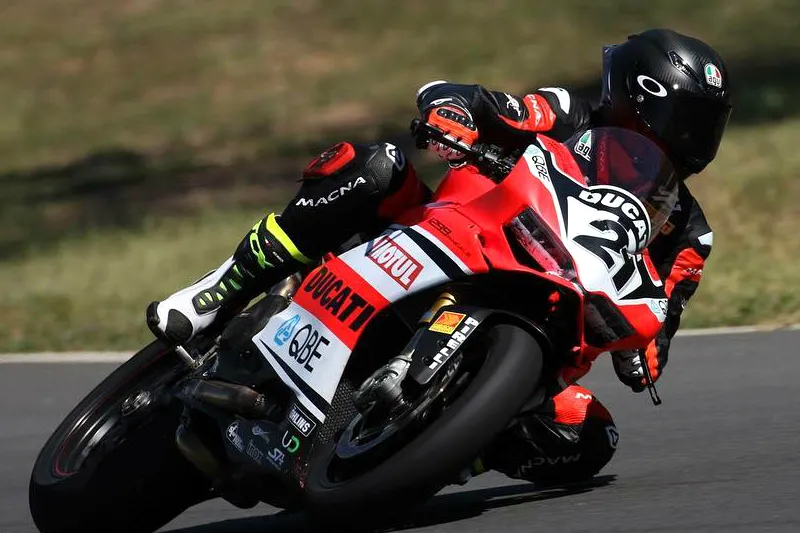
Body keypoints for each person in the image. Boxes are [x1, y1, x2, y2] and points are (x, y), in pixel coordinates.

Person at [147, 29, 732, 485]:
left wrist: (646, 354)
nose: (697, 136)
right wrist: (455, 112)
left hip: (554, 308)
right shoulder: (568, 114)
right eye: (696, 120)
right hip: (457, 233)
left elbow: (668, 307)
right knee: (375, 168)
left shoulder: (689, 227)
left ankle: (436, 455)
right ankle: (219, 291)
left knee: (590, 439)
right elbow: (483, 103)